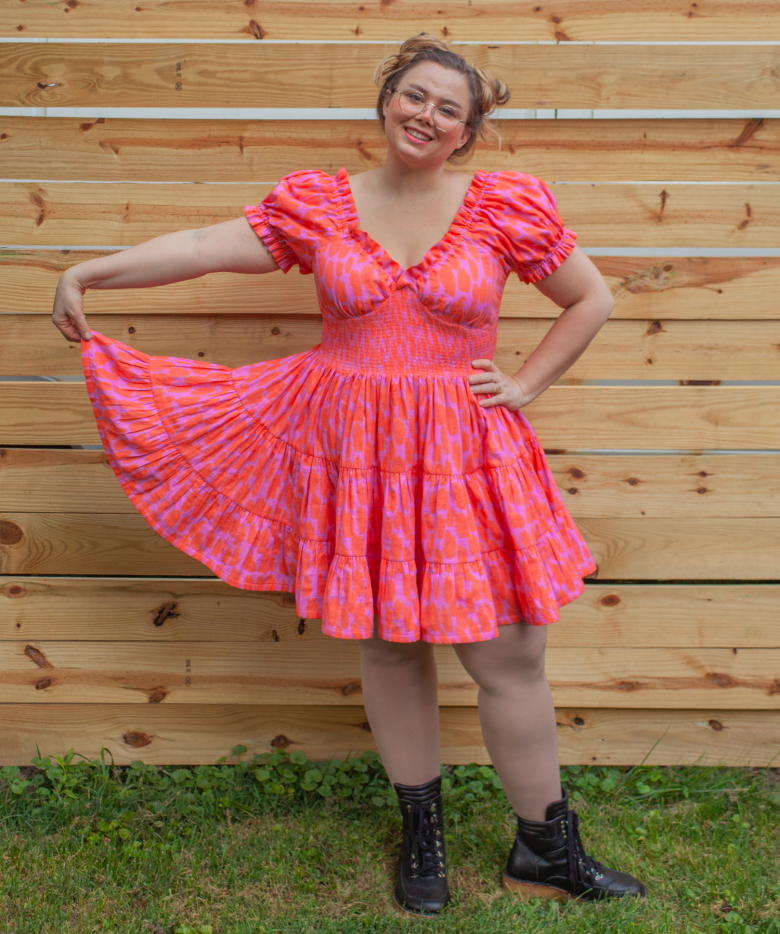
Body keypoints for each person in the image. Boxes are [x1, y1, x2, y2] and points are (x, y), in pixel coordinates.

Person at [52, 33, 646, 917]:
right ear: (386, 100)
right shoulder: (321, 205)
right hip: (358, 451)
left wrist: (523, 385)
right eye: (415, 95)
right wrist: (92, 269)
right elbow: (207, 244)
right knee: (392, 638)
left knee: (512, 652)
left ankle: (546, 847)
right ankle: (424, 838)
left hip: (466, 451)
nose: (427, 114)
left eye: (449, 107)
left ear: (467, 131)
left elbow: (589, 297)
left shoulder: (502, 209)